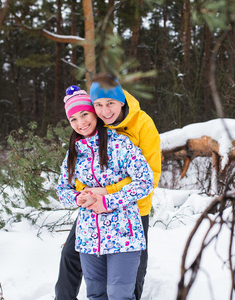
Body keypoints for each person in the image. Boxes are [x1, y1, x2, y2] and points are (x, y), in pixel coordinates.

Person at [55, 75, 161, 300]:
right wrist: (83, 195)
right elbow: (85, 168)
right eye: (98, 106)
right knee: (71, 256)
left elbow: (149, 176)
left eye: (110, 103)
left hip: (134, 208)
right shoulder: (94, 124)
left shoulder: (141, 125)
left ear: (121, 101)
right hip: (93, 211)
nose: (104, 111)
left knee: (131, 272)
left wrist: (107, 194)